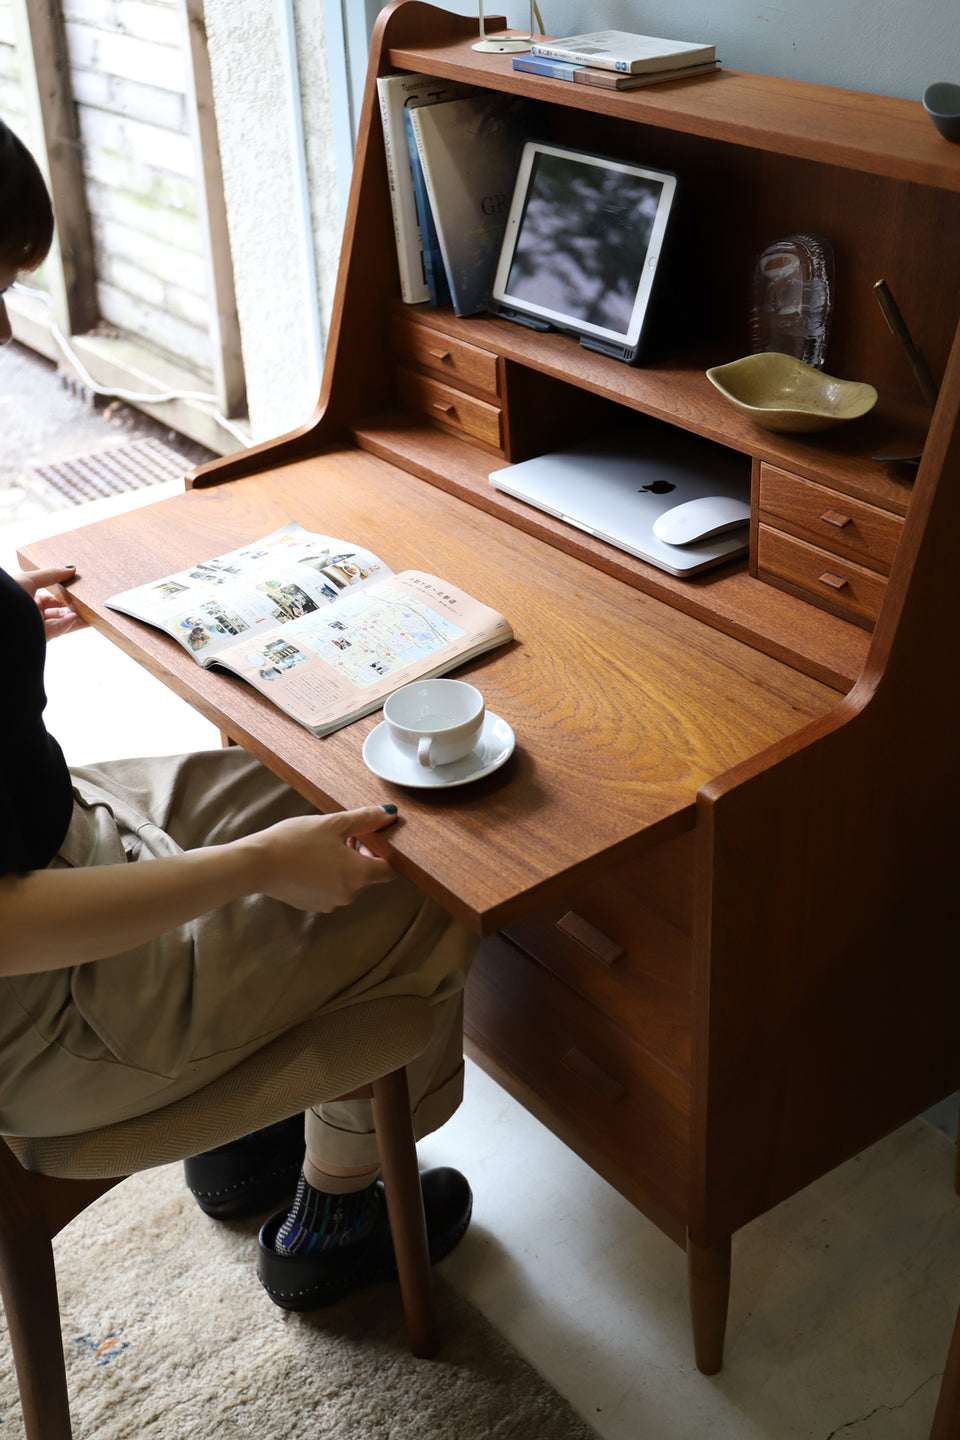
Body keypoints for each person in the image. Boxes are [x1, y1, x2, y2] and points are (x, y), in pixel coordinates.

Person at [0, 116, 475, 1311]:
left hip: (70, 847)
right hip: (48, 1005)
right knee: (425, 878)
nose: (3, 328)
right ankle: (336, 1218)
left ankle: (242, 1139)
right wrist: (259, 869)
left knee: (336, 796)